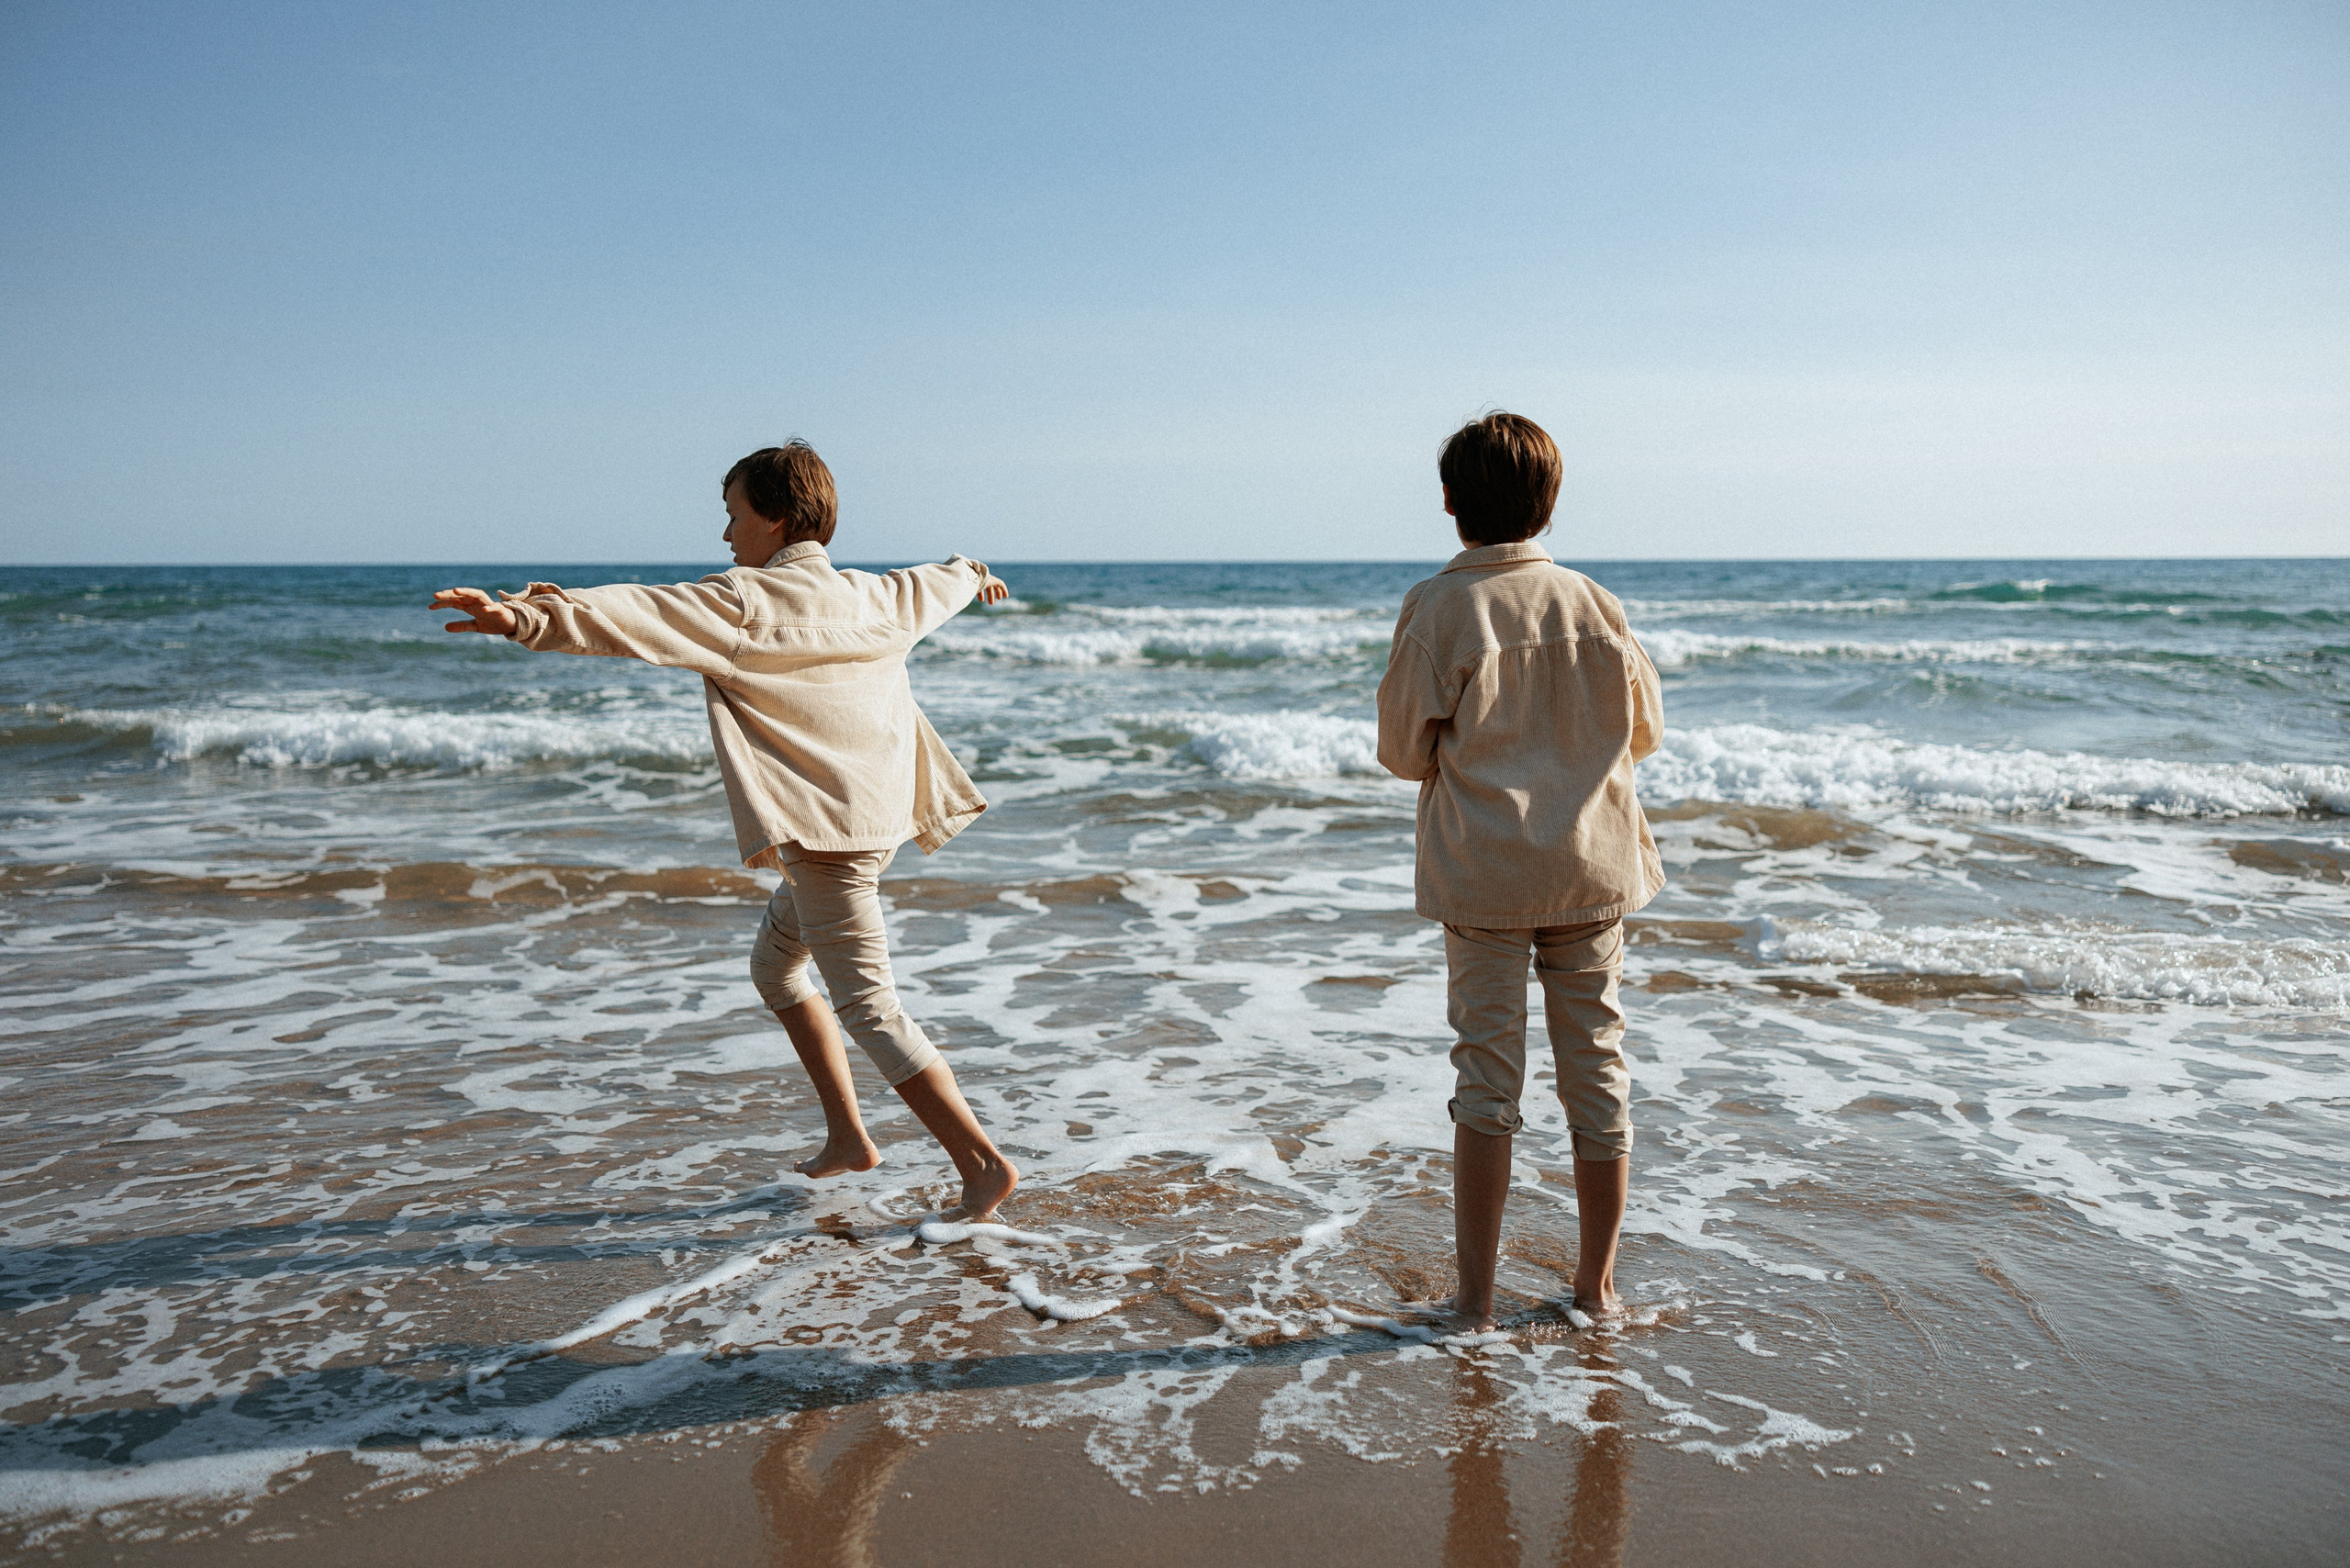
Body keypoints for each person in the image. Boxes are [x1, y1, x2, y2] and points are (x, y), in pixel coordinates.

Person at [432, 441, 1020, 1220]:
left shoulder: (746, 604)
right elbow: (939, 579)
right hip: (874, 822)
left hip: (829, 842)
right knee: (776, 969)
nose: (726, 536)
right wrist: (975, 572)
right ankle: (849, 1137)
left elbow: (641, 614)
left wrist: (524, 618)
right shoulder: (877, 596)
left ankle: (982, 1166)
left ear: (774, 521)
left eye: (734, 516)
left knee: (871, 1009)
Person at [1374, 411, 1664, 1329]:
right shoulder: (1594, 602)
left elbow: (1400, 752)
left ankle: (1474, 1303)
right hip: (1590, 870)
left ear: (1451, 503)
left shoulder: (1439, 606)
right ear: (1549, 504)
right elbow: (1644, 731)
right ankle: (1596, 1287)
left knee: (1486, 1083)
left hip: (1486, 875)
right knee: (1598, 1070)